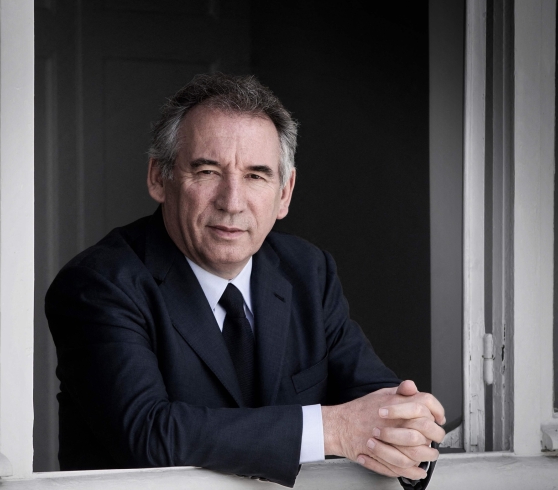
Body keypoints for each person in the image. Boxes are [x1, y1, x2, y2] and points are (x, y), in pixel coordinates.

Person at [45, 73, 445, 487]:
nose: (232, 202)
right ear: (158, 178)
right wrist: (334, 429)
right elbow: (150, 435)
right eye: (206, 171)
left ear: (284, 192)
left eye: (256, 175)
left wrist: (409, 429)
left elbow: (380, 407)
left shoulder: (307, 271)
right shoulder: (98, 285)